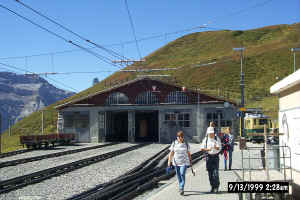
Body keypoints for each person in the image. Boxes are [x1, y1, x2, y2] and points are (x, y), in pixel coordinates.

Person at [167, 130, 193, 196]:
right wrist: (169, 163)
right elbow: (171, 154)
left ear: (183, 137)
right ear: (177, 137)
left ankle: (181, 188)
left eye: (181, 136)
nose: (180, 138)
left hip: (184, 162)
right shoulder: (174, 143)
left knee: (182, 174)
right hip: (176, 162)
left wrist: (190, 162)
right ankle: (180, 186)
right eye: (179, 136)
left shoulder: (186, 144)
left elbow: (189, 154)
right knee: (178, 176)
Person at [200, 126, 221, 193]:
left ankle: (216, 187)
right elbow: (201, 148)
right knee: (210, 174)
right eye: (210, 133)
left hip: (215, 157)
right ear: (208, 133)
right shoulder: (205, 140)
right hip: (208, 157)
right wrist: (207, 149)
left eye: (212, 133)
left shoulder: (216, 138)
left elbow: (219, 148)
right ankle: (212, 186)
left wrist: (216, 147)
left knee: (216, 173)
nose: (211, 134)